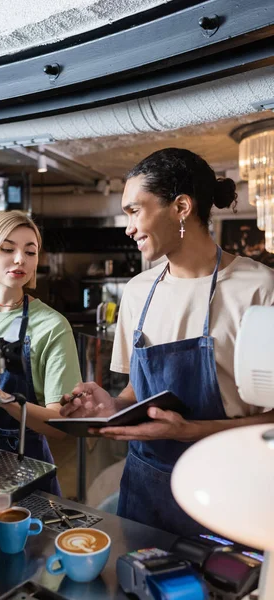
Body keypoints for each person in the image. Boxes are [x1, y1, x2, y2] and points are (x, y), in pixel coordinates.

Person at [60, 148, 274, 535]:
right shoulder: (139, 290)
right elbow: (134, 392)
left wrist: (186, 430)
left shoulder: (258, 289)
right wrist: (111, 406)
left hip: (228, 488)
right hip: (145, 490)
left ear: (180, 207)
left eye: (134, 211)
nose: (128, 228)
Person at [0, 210, 82, 495]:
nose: (20, 260)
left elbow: (61, 426)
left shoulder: (52, 326)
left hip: (26, 469)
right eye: (8, 249)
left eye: (30, 252)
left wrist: (4, 400)